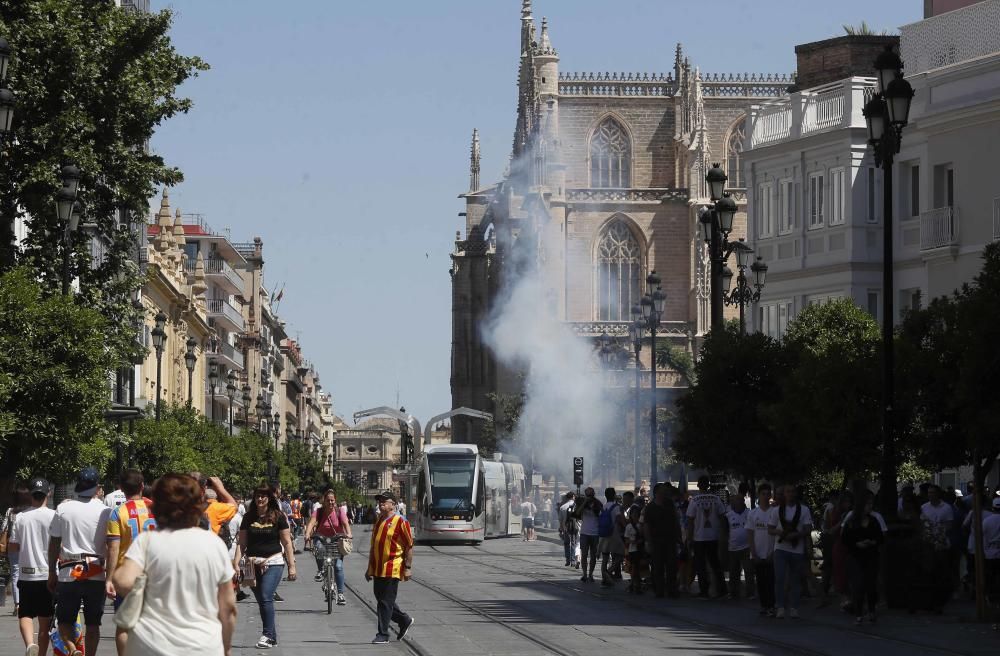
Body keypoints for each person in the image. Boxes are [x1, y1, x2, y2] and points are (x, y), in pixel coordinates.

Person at [112, 473, 236, 656]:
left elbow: (122, 582)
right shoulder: (213, 544)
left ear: (155, 507)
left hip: (151, 644)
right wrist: (226, 647)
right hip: (202, 645)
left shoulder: (147, 542)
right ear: (197, 507)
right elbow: (228, 607)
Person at [48, 467, 112, 656]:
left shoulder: (63, 508)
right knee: (93, 623)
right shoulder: (106, 511)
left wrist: (51, 571)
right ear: (97, 487)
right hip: (96, 572)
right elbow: (111, 544)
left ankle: (73, 648)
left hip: (69, 572)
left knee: (65, 621)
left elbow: (54, 542)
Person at [105, 469, 156, 656]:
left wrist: (109, 578)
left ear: (121, 489)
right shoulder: (157, 508)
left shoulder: (117, 513)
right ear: (142, 486)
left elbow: (113, 548)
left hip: (127, 576)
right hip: (155, 572)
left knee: (124, 625)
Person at [239, 484, 296, 649]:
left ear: (269, 498)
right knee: (262, 601)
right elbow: (242, 543)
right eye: (257, 496)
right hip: (252, 563)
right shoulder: (248, 517)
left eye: (263, 496)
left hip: (274, 561)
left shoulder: (278, 516)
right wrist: (236, 564)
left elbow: (286, 542)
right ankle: (273, 636)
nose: (260, 498)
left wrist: (292, 566)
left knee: (265, 596)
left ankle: (267, 635)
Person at [8, 477, 55, 656]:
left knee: (25, 614)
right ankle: (40, 654)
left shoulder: (20, 518)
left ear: (30, 495)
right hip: (48, 575)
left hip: (26, 575)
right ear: (48, 494)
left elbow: (13, 546)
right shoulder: (54, 516)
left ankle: (29, 644)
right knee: (45, 622)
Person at [366, 490, 414, 644]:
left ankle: (383, 634)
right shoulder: (379, 520)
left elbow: (409, 545)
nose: (380, 504)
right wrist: (369, 568)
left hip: (393, 567)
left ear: (393, 504)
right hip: (378, 567)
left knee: (385, 602)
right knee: (382, 599)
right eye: (379, 501)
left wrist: (407, 566)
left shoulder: (401, 521)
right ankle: (404, 619)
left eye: (384, 501)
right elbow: (374, 546)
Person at [768, 483, 813, 619]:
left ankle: (794, 607)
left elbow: (808, 528)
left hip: (796, 549)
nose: (790, 494)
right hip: (780, 548)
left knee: (795, 580)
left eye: (792, 491)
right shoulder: (776, 510)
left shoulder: (804, 510)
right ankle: (780, 606)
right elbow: (770, 529)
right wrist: (782, 533)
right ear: (784, 494)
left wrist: (797, 535)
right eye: (788, 491)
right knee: (780, 577)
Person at [303, 489, 352, 606]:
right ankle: (320, 570)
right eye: (328, 500)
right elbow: (311, 523)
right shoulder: (319, 512)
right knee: (318, 548)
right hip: (322, 538)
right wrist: (307, 534)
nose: (330, 503)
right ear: (324, 501)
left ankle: (340, 594)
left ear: (335, 501)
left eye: (332, 500)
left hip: (337, 539)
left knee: (338, 567)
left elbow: (345, 524)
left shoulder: (339, 511)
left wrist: (349, 534)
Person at [841, 491, 884, 624]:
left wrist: (873, 542)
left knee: (871, 585)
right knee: (858, 585)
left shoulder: (874, 520)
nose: (869, 507)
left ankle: (871, 611)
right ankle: (858, 613)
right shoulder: (852, 521)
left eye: (871, 504)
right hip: (856, 557)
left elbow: (880, 537)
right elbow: (845, 538)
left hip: (871, 556)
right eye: (867, 504)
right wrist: (856, 544)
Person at [686, 475, 728, 598]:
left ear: (698, 485)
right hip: (713, 537)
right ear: (708, 485)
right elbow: (722, 517)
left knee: (701, 565)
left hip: (699, 537)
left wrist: (689, 537)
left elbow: (690, 520)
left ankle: (704, 590)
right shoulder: (716, 499)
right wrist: (723, 533)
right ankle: (722, 590)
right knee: (715, 564)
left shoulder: (694, 500)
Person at [920, 484, 955, 612]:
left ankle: (940, 601)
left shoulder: (946, 508)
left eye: (933, 493)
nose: (931, 495)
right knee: (929, 573)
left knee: (941, 573)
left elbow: (949, 526)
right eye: (929, 493)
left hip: (942, 544)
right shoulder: (924, 507)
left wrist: (939, 536)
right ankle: (929, 601)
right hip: (928, 544)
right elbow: (923, 525)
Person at [643, 483, 681, 598]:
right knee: (657, 567)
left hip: (670, 540)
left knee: (671, 566)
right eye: (663, 492)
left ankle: (671, 589)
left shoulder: (669, 504)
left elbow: (676, 520)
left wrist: (678, 537)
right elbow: (646, 526)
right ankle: (659, 590)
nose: (665, 494)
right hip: (656, 541)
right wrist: (648, 542)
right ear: (656, 493)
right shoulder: (650, 508)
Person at [747, 483, 776, 616]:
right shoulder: (753, 514)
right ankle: (764, 606)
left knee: (771, 581)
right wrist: (754, 553)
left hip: (771, 553)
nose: (765, 496)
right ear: (759, 495)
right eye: (762, 494)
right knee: (761, 581)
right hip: (758, 554)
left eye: (767, 494)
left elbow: (777, 535)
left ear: (770, 495)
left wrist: (773, 553)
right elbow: (750, 535)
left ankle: (772, 605)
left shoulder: (774, 512)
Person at [2, 481, 30, 615]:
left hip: (13, 545)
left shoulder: (11, 511)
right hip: (28, 545)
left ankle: (17, 604)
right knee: (28, 572)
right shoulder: (30, 512)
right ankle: (27, 601)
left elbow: (3, 528)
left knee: (15, 574)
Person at [724, 492, 753, 599]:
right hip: (733, 548)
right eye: (736, 500)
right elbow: (725, 531)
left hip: (747, 547)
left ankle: (750, 593)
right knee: (733, 572)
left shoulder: (750, 513)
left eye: (741, 500)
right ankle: (733, 592)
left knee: (749, 571)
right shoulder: (728, 516)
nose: (739, 502)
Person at [598, 487, 626, 587]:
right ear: (614, 495)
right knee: (621, 554)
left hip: (604, 535)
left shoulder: (603, 506)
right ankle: (609, 572)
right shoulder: (616, 507)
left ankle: (604, 578)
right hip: (614, 534)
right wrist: (626, 526)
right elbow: (619, 519)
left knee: (605, 558)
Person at [575, 487, 603, 583]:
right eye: (588, 495)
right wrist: (584, 502)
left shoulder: (598, 503)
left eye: (590, 494)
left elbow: (602, 514)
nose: (589, 496)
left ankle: (591, 574)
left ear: (593, 494)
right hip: (584, 533)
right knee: (584, 555)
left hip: (595, 533)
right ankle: (584, 574)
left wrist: (594, 505)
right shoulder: (583, 504)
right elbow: (577, 513)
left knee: (593, 555)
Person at [558, 492, 579, 568]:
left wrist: (561, 529)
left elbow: (560, 520)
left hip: (565, 527)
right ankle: (573, 561)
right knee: (573, 543)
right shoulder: (576, 506)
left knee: (566, 543)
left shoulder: (562, 507)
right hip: (574, 527)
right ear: (573, 496)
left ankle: (567, 560)